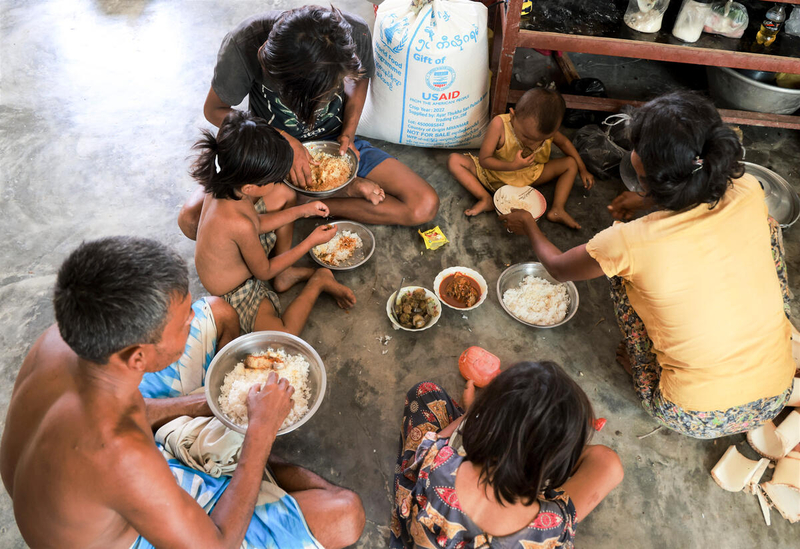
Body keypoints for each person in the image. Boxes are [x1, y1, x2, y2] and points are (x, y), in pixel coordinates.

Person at [0, 237, 365, 549]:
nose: (192, 318)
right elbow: (218, 543)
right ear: (137, 356)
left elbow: (118, 411)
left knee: (220, 312)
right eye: (182, 322)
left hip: (98, 482)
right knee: (346, 513)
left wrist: (202, 405)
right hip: (134, 535)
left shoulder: (59, 342)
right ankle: (251, 470)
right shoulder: (119, 455)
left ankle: (244, 467)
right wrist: (260, 432)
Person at [500, 91, 795, 439]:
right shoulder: (747, 187)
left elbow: (559, 269)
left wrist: (529, 225)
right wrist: (646, 199)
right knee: (767, 228)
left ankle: (645, 369)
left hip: (690, 413)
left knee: (619, 271)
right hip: (778, 392)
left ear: (650, 173)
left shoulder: (628, 242)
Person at [181, 5, 439, 229]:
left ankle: (313, 201)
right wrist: (283, 140)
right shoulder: (243, 44)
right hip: (269, 149)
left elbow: (360, 80)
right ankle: (316, 196)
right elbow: (214, 110)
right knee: (192, 221)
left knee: (423, 206)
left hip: (334, 146)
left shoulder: (353, 34)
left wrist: (348, 133)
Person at [390, 362, 623, 548]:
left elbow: (432, 448)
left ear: (483, 418)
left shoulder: (439, 462)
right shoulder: (553, 530)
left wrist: (472, 414)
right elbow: (609, 466)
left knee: (426, 393)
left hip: (424, 537)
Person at [191, 110, 356, 335]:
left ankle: (286, 273)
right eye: (272, 180)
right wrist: (310, 241)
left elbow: (255, 222)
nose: (277, 182)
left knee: (287, 195)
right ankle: (318, 281)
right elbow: (264, 271)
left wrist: (302, 211)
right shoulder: (238, 223)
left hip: (243, 249)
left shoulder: (226, 185)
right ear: (250, 187)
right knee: (282, 336)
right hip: (234, 291)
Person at [448, 88, 594, 226]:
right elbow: (484, 160)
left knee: (571, 163)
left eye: (540, 140)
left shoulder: (545, 129)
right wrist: (513, 166)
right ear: (512, 115)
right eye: (526, 136)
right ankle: (485, 198)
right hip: (493, 175)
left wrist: (583, 169)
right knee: (454, 160)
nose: (531, 143)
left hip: (531, 176)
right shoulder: (500, 124)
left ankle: (557, 209)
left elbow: (565, 143)